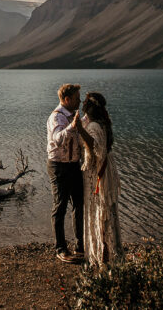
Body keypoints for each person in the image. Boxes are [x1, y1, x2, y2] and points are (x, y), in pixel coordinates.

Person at [75, 91, 122, 268]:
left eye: (85, 102)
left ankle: (102, 254)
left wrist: (80, 130)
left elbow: (97, 150)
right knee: (107, 211)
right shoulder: (103, 123)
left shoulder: (94, 126)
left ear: (90, 106)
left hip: (96, 174)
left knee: (98, 211)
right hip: (106, 171)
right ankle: (110, 251)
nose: (82, 104)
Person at [47, 83, 84, 263]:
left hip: (74, 165)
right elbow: (57, 139)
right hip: (59, 166)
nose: (80, 101)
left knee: (79, 204)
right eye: (77, 98)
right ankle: (60, 248)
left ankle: (80, 246)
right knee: (60, 206)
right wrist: (73, 127)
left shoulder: (74, 116)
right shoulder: (57, 117)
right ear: (67, 99)